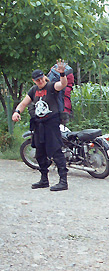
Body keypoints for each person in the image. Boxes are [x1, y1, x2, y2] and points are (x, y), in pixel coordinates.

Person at [12, 60, 69, 191]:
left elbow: (62, 84)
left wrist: (62, 74)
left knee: (56, 151)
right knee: (40, 153)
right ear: (34, 81)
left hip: (51, 123)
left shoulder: (51, 86)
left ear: (44, 77)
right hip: (39, 125)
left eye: (41, 79)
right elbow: (23, 103)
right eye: (37, 80)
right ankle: (44, 180)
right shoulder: (33, 91)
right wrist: (16, 112)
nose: (40, 81)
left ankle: (63, 181)